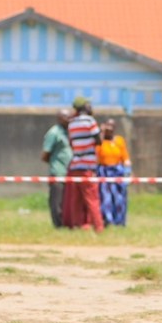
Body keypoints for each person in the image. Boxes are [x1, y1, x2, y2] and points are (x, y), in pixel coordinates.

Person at [65, 97, 103, 232]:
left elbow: (71, 143)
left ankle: (77, 225)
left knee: (77, 199)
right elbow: (99, 141)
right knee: (92, 198)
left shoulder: (71, 124)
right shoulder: (90, 121)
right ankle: (98, 227)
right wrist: (100, 131)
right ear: (84, 107)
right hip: (88, 165)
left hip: (75, 165)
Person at [41, 109, 73, 228]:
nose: (70, 119)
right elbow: (45, 155)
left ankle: (67, 223)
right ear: (60, 118)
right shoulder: (54, 133)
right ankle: (58, 225)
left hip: (69, 173)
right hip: (58, 172)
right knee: (57, 201)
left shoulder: (69, 132)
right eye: (67, 117)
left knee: (66, 201)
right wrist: (56, 163)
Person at [97, 118, 131, 227]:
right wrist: (101, 133)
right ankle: (107, 220)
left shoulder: (119, 140)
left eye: (112, 126)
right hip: (104, 171)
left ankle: (119, 221)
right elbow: (96, 154)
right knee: (106, 198)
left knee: (119, 198)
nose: (109, 128)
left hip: (117, 171)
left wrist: (128, 171)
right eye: (108, 126)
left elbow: (125, 157)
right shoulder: (100, 142)